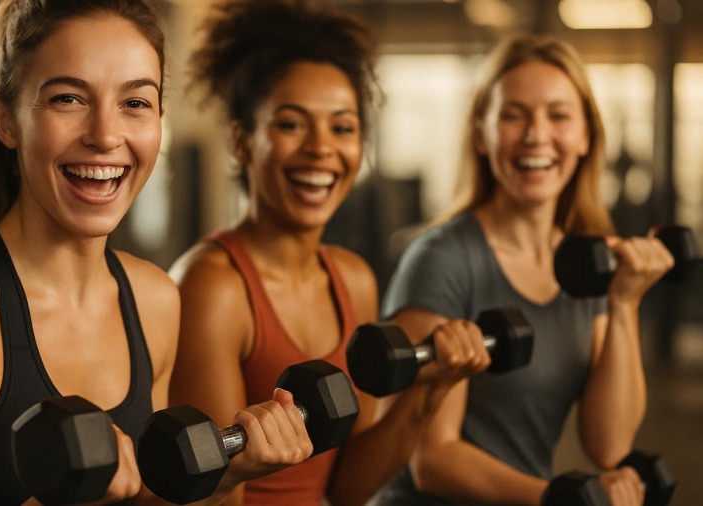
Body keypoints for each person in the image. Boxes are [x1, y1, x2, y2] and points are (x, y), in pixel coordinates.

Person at [0, 1, 311, 504]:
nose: (104, 135)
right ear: (5, 121)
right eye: (68, 99)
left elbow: (140, 496)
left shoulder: (154, 299)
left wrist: (226, 475)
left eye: (135, 103)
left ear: (160, 118)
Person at [168, 1, 491, 505]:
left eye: (342, 127)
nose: (322, 148)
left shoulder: (353, 278)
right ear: (241, 141)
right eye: (292, 124)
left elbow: (346, 488)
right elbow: (204, 494)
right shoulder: (214, 285)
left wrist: (430, 390)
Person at [369, 34, 675, 506]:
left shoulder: (587, 266)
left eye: (558, 115)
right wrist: (564, 498)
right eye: (513, 115)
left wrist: (624, 302)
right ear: (481, 135)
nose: (536, 134)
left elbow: (609, 445)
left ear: (585, 136)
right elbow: (432, 461)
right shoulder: (443, 258)